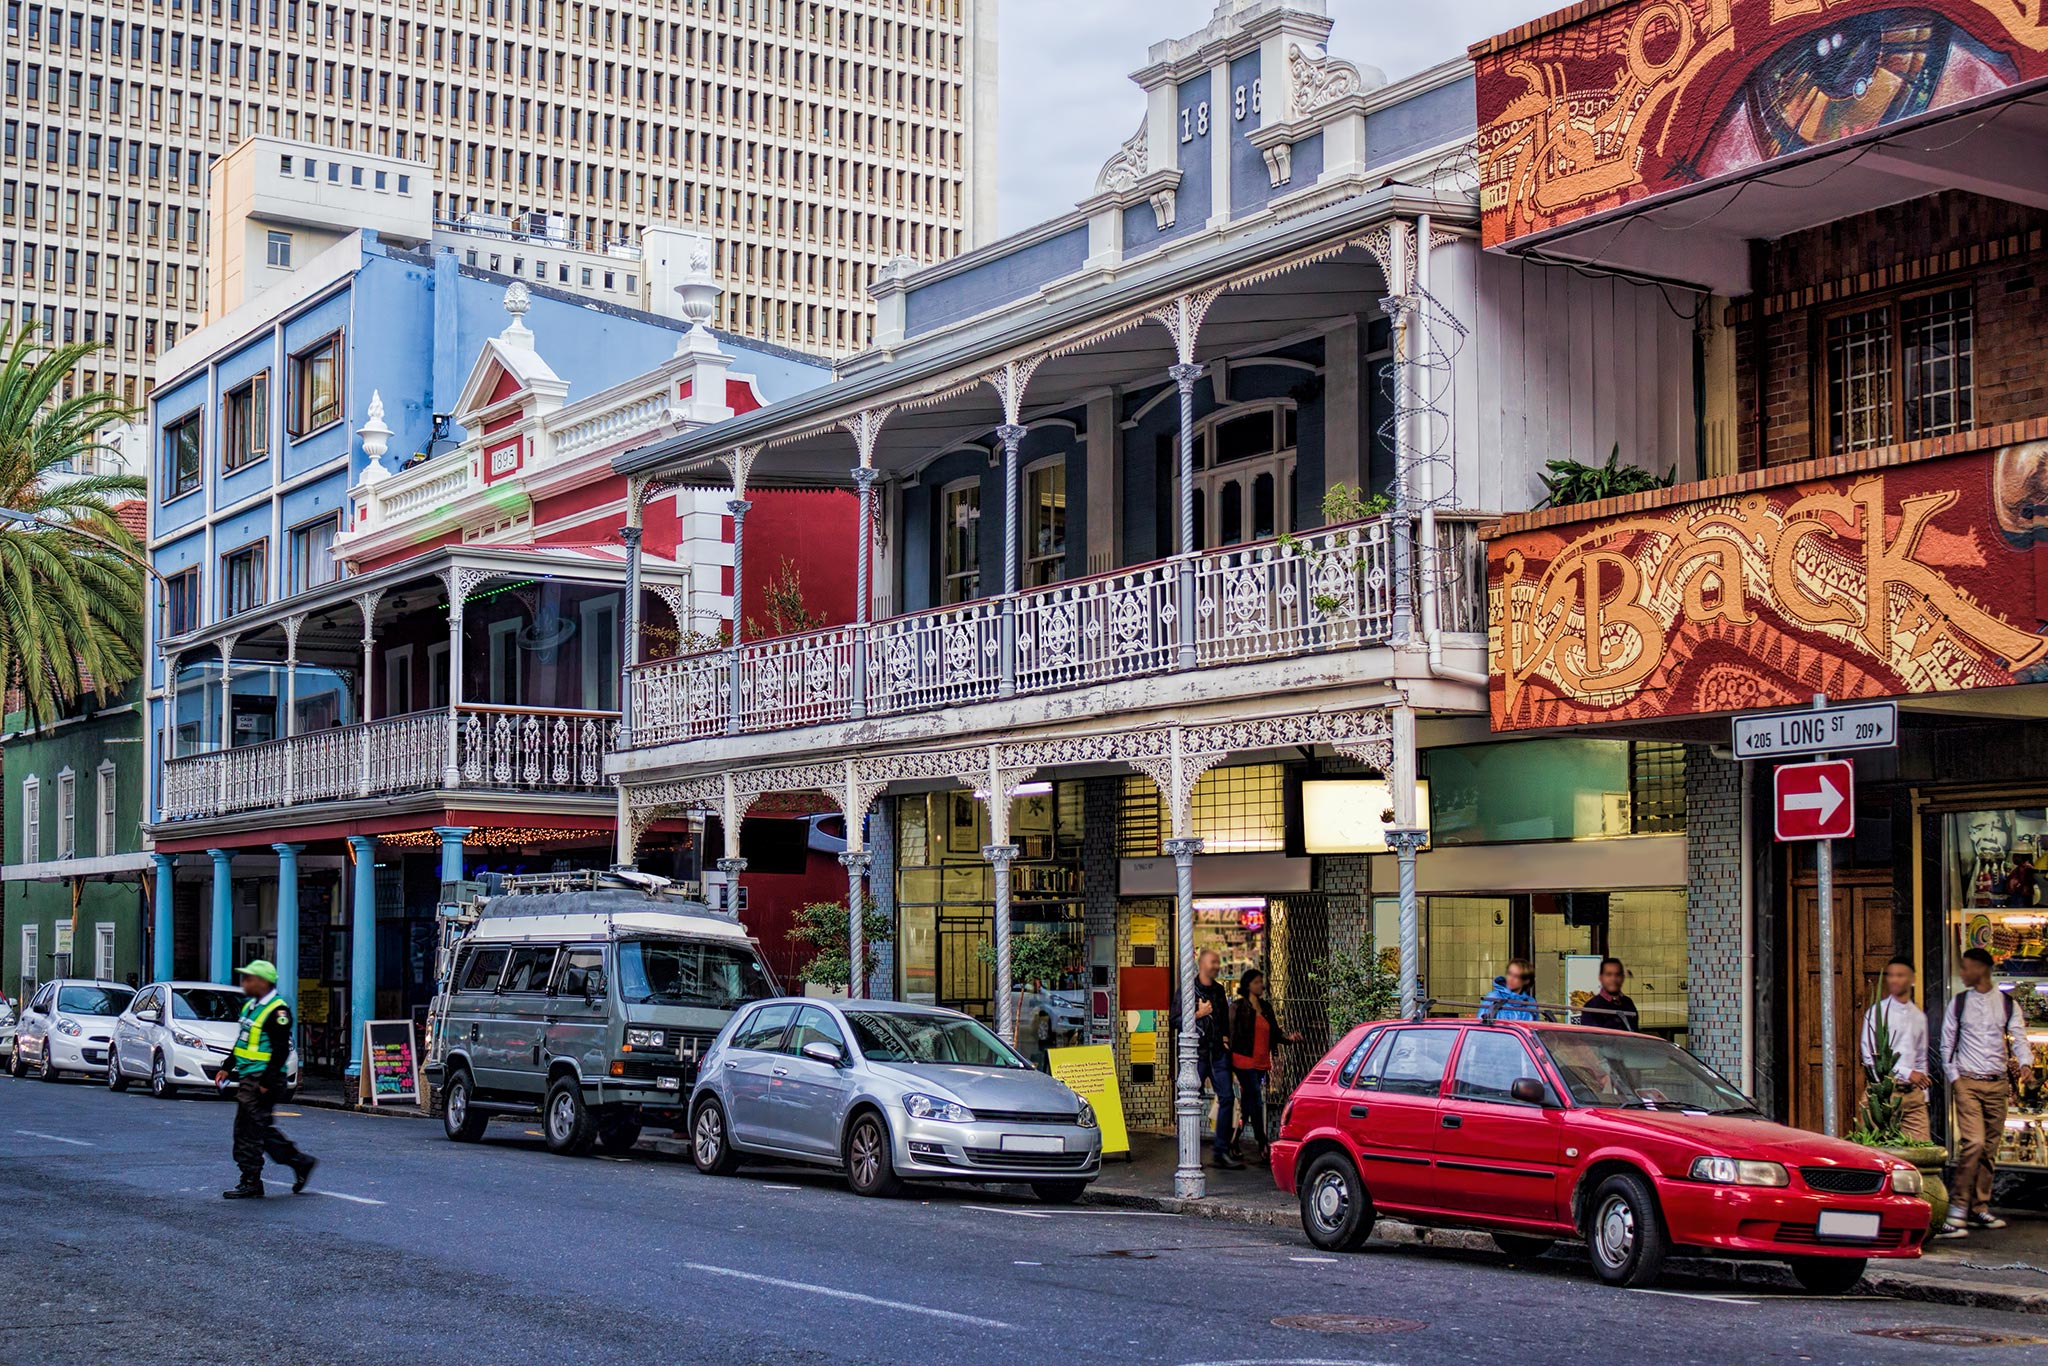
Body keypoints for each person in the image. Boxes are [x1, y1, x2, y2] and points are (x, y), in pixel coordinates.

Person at [1940, 947, 2033, 1239]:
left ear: (1982, 969)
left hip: (1997, 1085)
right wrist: (1955, 1080)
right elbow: (1946, 1044)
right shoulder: (1959, 1003)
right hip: (1967, 1081)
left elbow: (2018, 1038)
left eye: (1967, 967)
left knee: (1989, 1149)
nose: (1963, 973)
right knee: (1974, 1143)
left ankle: (1979, 1207)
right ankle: (1957, 1207)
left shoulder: (2007, 1004)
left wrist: (2027, 1063)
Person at [219, 959, 316, 1200]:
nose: (244, 983)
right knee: (256, 1130)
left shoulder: (278, 1011)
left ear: (262, 982)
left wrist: (266, 1082)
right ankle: (299, 1162)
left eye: (248, 978)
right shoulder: (251, 1006)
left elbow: (280, 1049)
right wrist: (227, 1068)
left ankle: (251, 1181)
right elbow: (242, 1042)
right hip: (249, 1076)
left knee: (250, 1131)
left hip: (262, 1080)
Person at [1228, 969, 1302, 1162]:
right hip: (1243, 1061)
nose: (1261, 985)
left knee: (1248, 1104)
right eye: (1257, 982)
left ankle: (1234, 1142)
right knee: (1257, 1101)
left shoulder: (1266, 1008)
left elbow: (1276, 1034)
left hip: (1261, 1062)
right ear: (1248, 985)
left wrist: (1290, 1039)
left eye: (1261, 982)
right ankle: (1263, 1142)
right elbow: (1231, 1033)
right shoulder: (1238, 1007)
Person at [1860, 956, 1931, 1144]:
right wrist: (1908, 1073)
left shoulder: (1918, 1016)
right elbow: (1871, 1057)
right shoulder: (1877, 1012)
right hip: (1883, 1094)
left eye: (1900, 975)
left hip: (1913, 1096)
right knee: (1877, 1150)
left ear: (1912, 979)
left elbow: (1921, 1057)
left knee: (1921, 1148)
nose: (1894, 980)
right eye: (1891, 975)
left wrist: (1924, 1095)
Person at [1187, 949, 1239, 1169]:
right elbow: (1174, 1019)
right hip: (1196, 1053)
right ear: (1201, 964)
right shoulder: (1189, 990)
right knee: (1190, 1100)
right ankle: (1188, 1152)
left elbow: (1224, 1020)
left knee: (1227, 1098)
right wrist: (1198, 1014)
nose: (1216, 966)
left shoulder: (1218, 991)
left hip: (1217, 1052)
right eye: (1212, 962)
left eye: (1217, 962)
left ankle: (1221, 1151)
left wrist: (1226, 1041)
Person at [1578, 957, 1638, 1031]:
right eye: (1609, 974)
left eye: (1617, 974)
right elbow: (1590, 1038)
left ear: (1622, 977)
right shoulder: (1592, 1007)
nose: (1613, 979)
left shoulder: (1628, 1003)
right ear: (1601, 978)